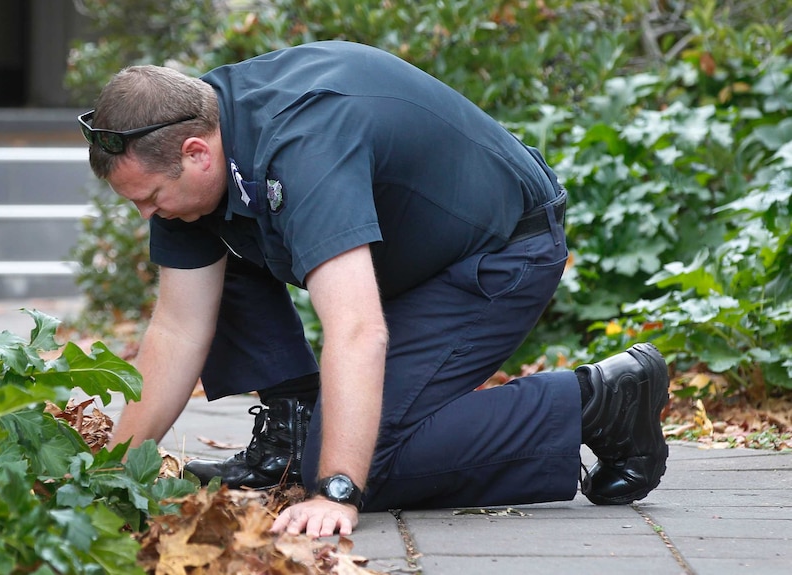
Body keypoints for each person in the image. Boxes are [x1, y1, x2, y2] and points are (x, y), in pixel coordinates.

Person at [78, 40, 669, 538]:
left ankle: (597, 402)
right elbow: (178, 328)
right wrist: (107, 477)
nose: (145, 216)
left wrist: (336, 491)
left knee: (363, 464)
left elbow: (357, 330)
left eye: (149, 199)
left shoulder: (302, 146)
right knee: (212, 234)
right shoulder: (198, 132)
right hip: (409, 250)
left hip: (499, 252)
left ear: (197, 153)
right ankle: (291, 432)